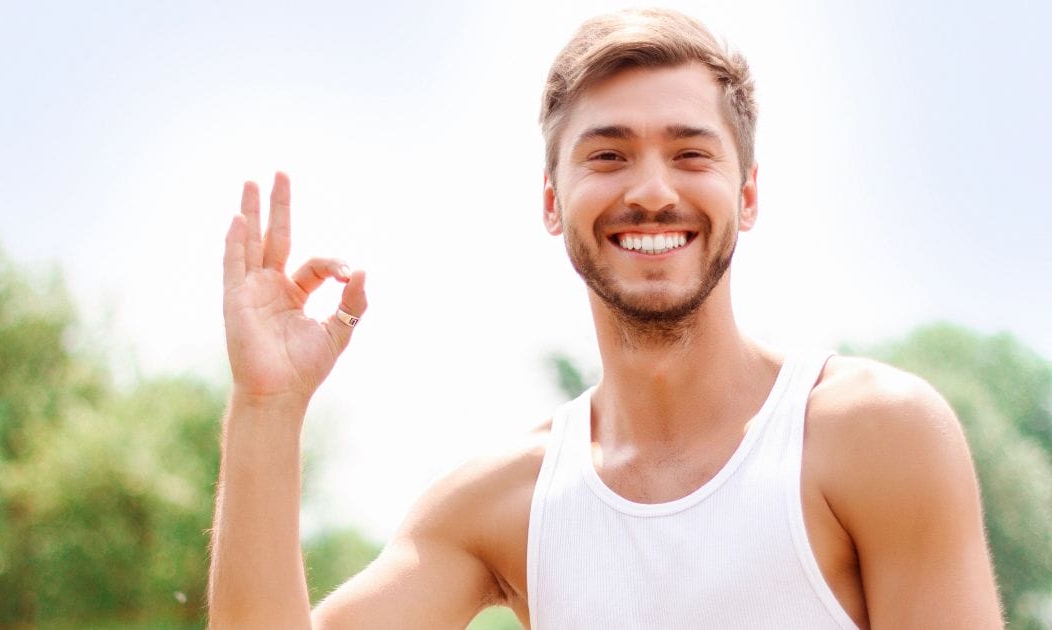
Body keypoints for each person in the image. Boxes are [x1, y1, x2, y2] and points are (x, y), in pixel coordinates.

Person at [207, 8, 1002, 629]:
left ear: (748, 195)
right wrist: (266, 411)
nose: (652, 189)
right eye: (608, 155)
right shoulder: (501, 504)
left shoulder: (876, 435)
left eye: (691, 153)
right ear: (552, 203)